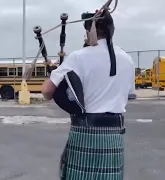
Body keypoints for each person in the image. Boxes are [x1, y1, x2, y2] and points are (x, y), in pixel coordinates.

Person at [41, 9, 134, 180]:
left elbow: (47, 92)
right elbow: (129, 94)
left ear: (89, 30)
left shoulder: (78, 57)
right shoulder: (127, 59)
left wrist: (56, 74)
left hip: (85, 130)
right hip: (114, 134)